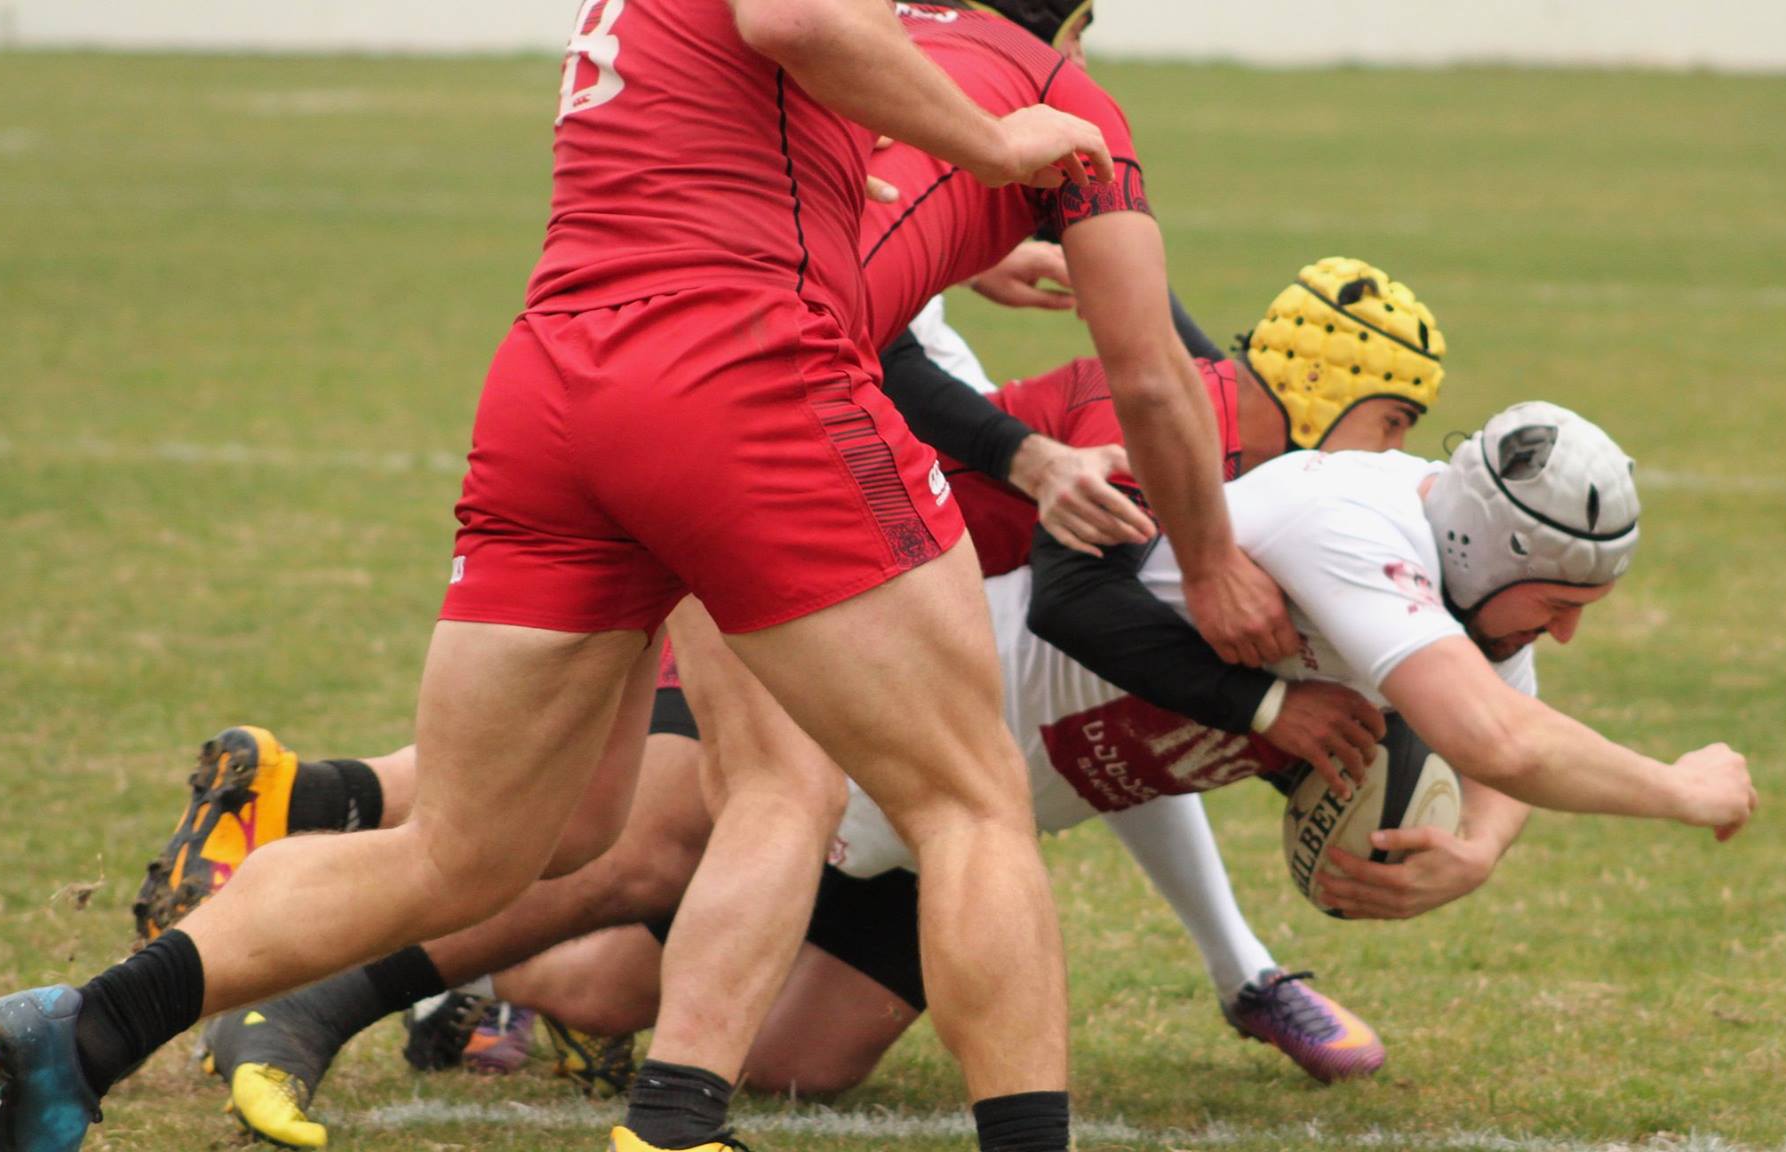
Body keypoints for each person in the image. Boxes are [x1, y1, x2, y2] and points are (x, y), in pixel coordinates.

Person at [0, 2, 1271, 1151]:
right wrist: (1008, 153)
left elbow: (790, 121)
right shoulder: (1051, 91)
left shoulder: (882, 51)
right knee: (965, 802)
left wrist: (970, 235)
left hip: (559, 381)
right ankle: (693, 1114)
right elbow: (804, 26)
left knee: (480, 849)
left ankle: (80, 1031)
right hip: (742, 374)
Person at [168, 254, 1449, 1146]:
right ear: (1356, 394)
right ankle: (325, 982)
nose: (1395, 470)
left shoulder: (1290, 494)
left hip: (932, 704)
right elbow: (1079, 612)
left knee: (789, 1053)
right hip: (810, 591)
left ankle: (444, 942)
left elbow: (1118, 726)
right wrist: (1267, 749)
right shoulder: (1184, 431)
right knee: (635, 838)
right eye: (1396, 428)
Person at [341, 398, 1764, 1104]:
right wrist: (1679, 788)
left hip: (963, 837)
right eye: (1567, 604)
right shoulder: (1355, 531)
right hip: (877, 720)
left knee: (803, 1068)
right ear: (1481, 547)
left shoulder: (1461, 576)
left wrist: (1472, 853)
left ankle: (489, 987)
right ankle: (339, 922)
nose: (1565, 636)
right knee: (597, 883)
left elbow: (1502, 722)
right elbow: (1492, 726)